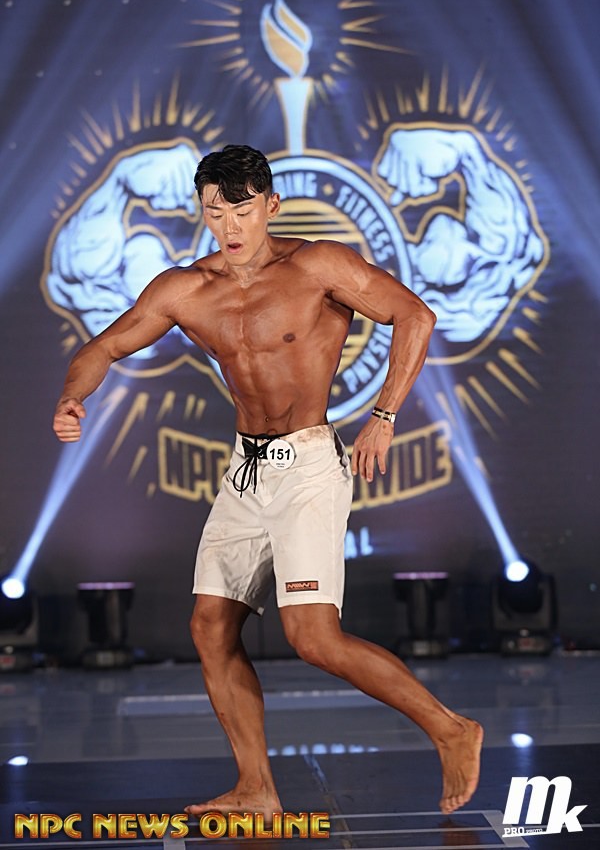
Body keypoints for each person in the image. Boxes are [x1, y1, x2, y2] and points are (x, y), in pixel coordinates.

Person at [53, 144, 483, 818]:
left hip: (308, 465)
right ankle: (256, 788)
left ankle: (451, 729)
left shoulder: (316, 266)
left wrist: (384, 416)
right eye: (214, 212)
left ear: (271, 205)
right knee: (209, 626)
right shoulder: (185, 289)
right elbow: (104, 346)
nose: (229, 225)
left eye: (242, 210)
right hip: (245, 470)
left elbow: (415, 316)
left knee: (313, 638)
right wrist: (72, 398)